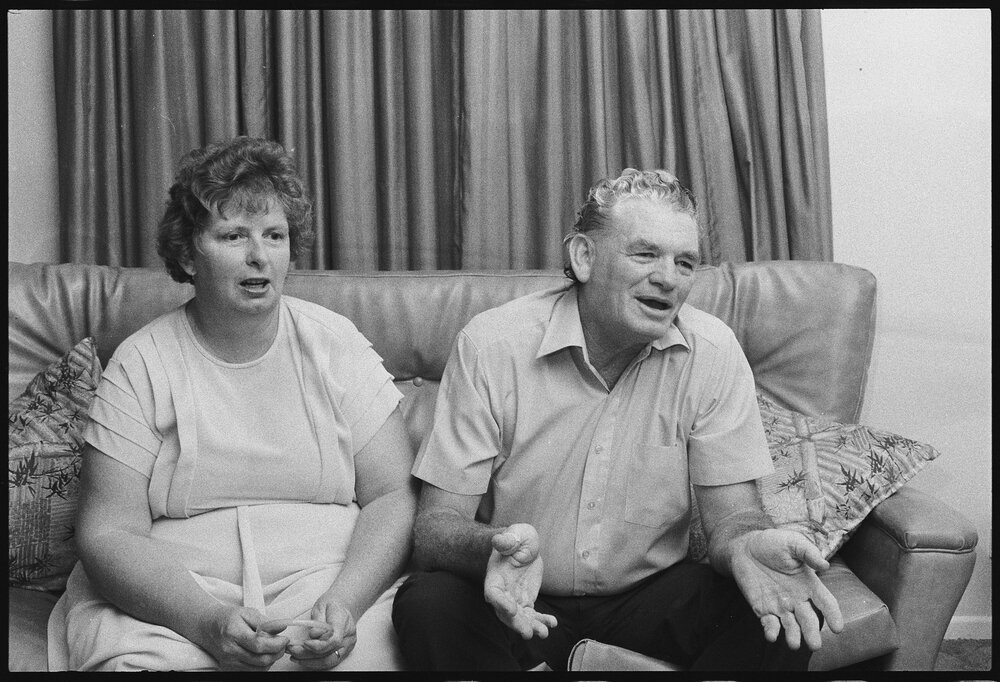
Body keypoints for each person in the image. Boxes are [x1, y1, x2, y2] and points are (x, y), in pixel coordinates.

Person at [391, 168, 844, 671]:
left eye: (685, 262)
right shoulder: (492, 345)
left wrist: (747, 544)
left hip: (647, 599)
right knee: (429, 604)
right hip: (518, 597)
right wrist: (490, 549)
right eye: (646, 254)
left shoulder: (713, 352)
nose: (668, 278)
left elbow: (732, 516)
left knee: (781, 612)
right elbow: (435, 528)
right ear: (583, 257)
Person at [46, 136, 417, 672]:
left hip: (328, 580)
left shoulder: (337, 343)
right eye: (233, 235)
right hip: (173, 596)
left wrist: (344, 605)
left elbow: (391, 497)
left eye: (274, 235)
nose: (258, 255)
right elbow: (108, 531)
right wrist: (205, 620)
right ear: (187, 255)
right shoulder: (142, 362)